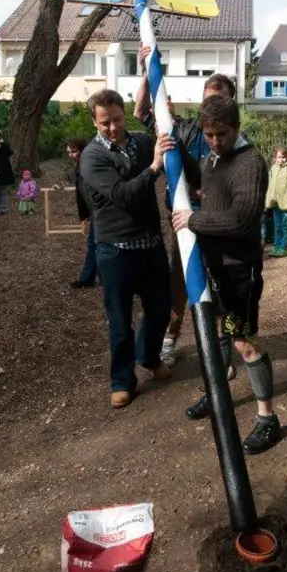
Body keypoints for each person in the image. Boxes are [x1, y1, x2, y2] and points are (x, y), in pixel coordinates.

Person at [172, 96, 281, 453]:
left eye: (222, 134)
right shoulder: (214, 157)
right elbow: (200, 177)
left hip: (239, 269)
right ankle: (217, 393)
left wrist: (194, 219)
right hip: (214, 264)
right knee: (218, 329)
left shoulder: (250, 163)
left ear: (236, 128)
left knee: (243, 341)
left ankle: (268, 418)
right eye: (209, 134)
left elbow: (241, 219)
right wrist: (173, 143)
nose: (215, 141)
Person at [134, 43, 238, 368]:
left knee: (220, 286)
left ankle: (221, 350)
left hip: (218, 225)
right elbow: (141, 112)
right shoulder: (186, 129)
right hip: (184, 223)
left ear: (231, 104)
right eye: (208, 100)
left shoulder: (235, 141)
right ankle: (170, 338)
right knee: (178, 282)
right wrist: (146, 69)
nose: (212, 107)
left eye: (219, 101)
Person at [79, 88, 176, 408]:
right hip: (114, 249)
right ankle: (122, 380)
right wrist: (153, 167)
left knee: (160, 307)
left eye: (117, 119)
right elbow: (123, 195)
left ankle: (148, 356)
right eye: (105, 122)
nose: (113, 127)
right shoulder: (92, 157)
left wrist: (166, 119)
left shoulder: (141, 143)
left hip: (150, 243)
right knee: (120, 319)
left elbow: (167, 147)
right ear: (95, 122)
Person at [67, 139, 99, 288]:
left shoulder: (89, 166)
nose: (71, 155)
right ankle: (94, 276)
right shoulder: (79, 166)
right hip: (95, 212)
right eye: (69, 152)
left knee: (95, 244)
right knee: (98, 244)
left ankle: (88, 278)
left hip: (101, 211)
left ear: (83, 151)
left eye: (74, 152)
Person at [265, 145, 287, 257]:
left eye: (284, 157)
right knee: (277, 226)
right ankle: (277, 246)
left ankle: (284, 248)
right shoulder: (273, 168)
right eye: (279, 157)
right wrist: (268, 200)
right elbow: (270, 185)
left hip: (286, 203)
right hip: (275, 202)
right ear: (275, 157)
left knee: (285, 226)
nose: (281, 159)